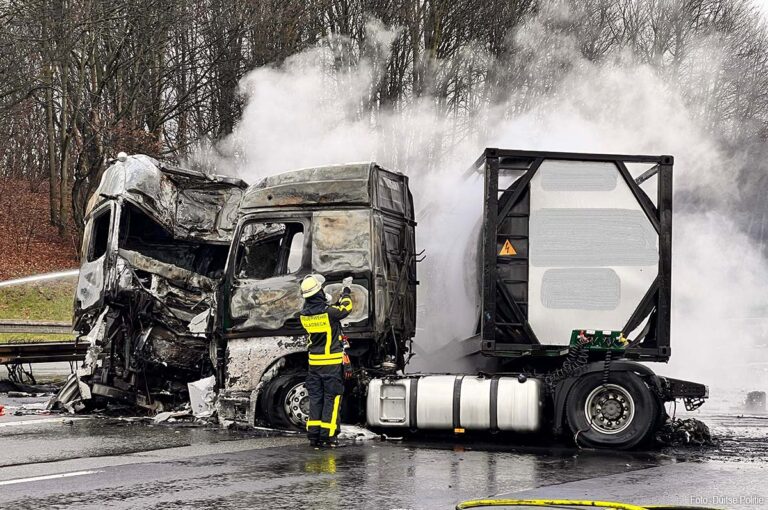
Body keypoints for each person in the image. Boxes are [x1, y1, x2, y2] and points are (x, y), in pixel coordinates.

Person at [300, 274, 353, 447]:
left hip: (314, 364)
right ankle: (328, 436)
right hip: (331, 364)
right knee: (332, 398)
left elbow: (324, 311)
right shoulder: (329, 313)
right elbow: (346, 308)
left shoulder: (304, 315)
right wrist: (346, 290)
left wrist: (328, 301)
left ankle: (314, 436)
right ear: (318, 293)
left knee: (316, 398)